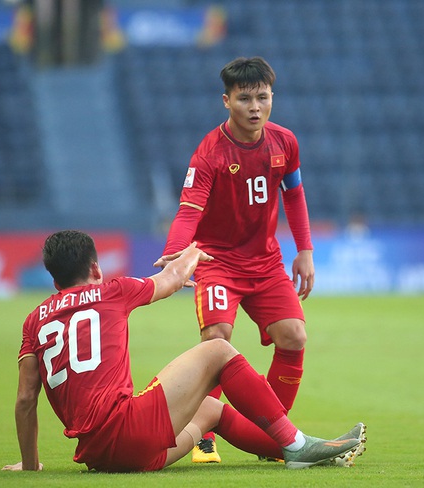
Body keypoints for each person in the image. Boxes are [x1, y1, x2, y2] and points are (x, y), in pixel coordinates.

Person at [2, 230, 366, 473]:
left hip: (100, 455)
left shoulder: (33, 321)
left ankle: (292, 450)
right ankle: (298, 445)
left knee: (209, 409)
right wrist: (193, 250)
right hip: (129, 432)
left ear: (54, 280)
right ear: (95, 267)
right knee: (218, 350)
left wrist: (30, 465)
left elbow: (24, 400)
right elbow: (173, 279)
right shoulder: (113, 290)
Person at [155, 56, 315, 463]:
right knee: (216, 340)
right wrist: (177, 252)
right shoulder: (209, 153)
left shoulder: (285, 142)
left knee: (294, 336)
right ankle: (205, 434)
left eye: (263, 97)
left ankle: (268, 434)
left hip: (265, 262)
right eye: (245, 99)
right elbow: (189, 209)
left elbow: (293, 196)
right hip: (217, 262)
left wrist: (305, 250)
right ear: (226, 101)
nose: (255, 107)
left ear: (272, 97)